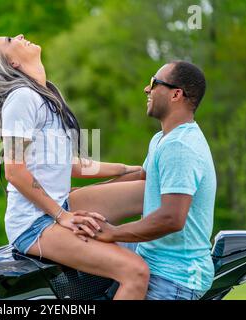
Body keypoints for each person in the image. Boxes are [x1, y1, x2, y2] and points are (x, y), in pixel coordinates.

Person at [0, 34, 149, 299]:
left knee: (147, 190)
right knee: (136, 272)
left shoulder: (45, 97)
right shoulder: (21, 99)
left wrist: (128, 170)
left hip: (60, 205)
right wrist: (61, 217)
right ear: (13, 62)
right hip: (35, 224)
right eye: (9, 40)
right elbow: (14, 171)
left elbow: (69, 165)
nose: (19, 36)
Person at [73, 61, 216, 300]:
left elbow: (171, 218)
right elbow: (142, 176)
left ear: (176, 94)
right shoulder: (163, 138)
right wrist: (85, 194)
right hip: (154, 264)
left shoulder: (179, 146)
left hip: (173, 281)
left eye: (153, 83)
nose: (146, 89)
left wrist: (113, 233)